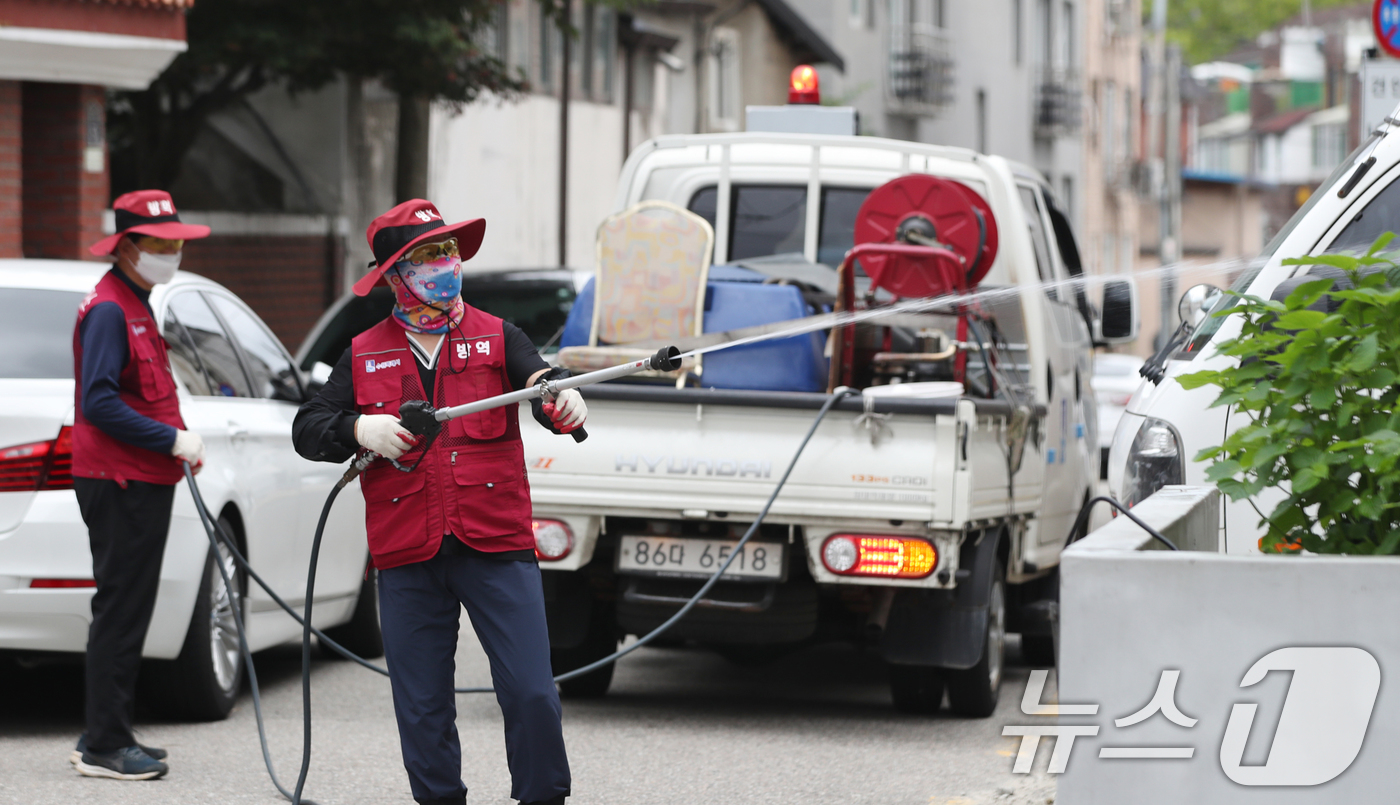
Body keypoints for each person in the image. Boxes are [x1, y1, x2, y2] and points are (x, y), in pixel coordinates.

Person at [293, 200, 584, 805]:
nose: (445, 264)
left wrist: (559, 401)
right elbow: (309, 426)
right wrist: (359, 430)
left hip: (495, 544)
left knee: (531, 691)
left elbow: (539, 382)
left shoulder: (499, 336)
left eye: (448, 250)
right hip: (407, 551)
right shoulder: (364, 351)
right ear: (395, 273)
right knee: (423, 706)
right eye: (427, 256)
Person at [70, 190, 211, 781]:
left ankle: (111, 733)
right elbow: (97, 400)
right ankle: (104, 745)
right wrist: (169, 440)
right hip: (120, 478)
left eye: (177, 243)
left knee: (130, 606)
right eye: (160, 244)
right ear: (128, 247)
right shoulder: (109, 308)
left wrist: (171, 442)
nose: (172, 253)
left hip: (138, 477)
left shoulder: (134, 299)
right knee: (122, 608)